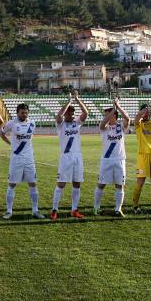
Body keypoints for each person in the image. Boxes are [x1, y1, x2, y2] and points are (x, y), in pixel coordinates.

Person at [0, 103, 45, 220]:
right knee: (12, 184)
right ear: (17, 113)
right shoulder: (11, 123)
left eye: (26, 112)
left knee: (33, 184)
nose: (24, 115)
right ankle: (9, 211)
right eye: (22, 113)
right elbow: (1, 133)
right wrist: (10, 143)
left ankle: (35, 210)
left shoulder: (32, 123)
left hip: (29, 158)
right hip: (17, 158)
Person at [51, 91, 89, 221]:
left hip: (77, 157)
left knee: (77, 184)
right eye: (69, 113)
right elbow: (58, 116)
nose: (71, 115)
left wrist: (77, 100)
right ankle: (54, 210)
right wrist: (68, 101)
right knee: (61, 184)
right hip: (66, 157)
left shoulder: (76, 123)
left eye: (72, 113)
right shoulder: (60, 125)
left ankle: (74, 210)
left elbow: (85, 114)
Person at [93, 99, 130, 217]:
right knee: (101, 184)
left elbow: (127, 119)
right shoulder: (104, 128)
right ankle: (96, 208)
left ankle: (118, 209)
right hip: (106, 160)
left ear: (114, 115)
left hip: (119, 160)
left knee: (120, 185)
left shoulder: (121, 126)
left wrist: (118, 106)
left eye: (108, 114)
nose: (106, 116)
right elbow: (102, 123)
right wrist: (114, 109)